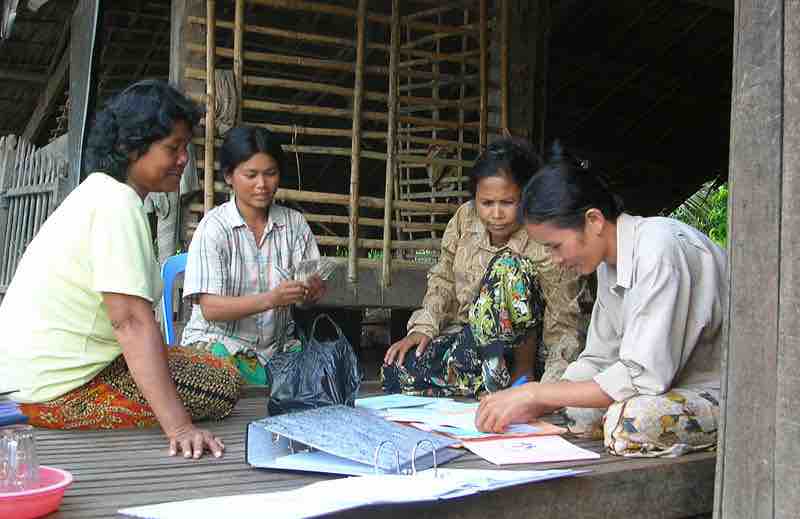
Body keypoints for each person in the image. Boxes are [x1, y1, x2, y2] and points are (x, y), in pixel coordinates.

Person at [0, 80, 241, 458]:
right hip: (50, 394)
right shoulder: (117, 205)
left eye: (185, 148)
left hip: (25, 379)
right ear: (131, 147)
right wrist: (180, 427)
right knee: (221, 385)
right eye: (173, 148)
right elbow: (129, 322)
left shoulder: (99, 191)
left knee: (210, 366)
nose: (183, 159)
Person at [476, 144, 725, 456]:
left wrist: (536, 393)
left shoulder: (659, 251)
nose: (555, 259)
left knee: (630, 422)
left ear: (593, 220)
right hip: (664, 389)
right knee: (573, 411)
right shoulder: (609, 266)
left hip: (723, 394)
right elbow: (598, 360)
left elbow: (641, 377)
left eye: (555, 246)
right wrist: (537, 399)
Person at [382, 138, 587, 397]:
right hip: (475, 339)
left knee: (508, 269)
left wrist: (547, 392)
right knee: (398, 371)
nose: (496, 214)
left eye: (508, 202)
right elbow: (443, 278)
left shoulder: (545, 237)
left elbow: (563, 322)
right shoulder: (464, 219)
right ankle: (489, 380)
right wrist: (423, 328)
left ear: (526, 197)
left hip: (523, 351)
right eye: (487, 203)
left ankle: (520, 376)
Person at [180, 125, 326, 384]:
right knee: (224, 376)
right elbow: (211, 308)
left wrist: (309, 293)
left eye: (270, 173)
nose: (262, 184)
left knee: (321, 377)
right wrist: (271, 299)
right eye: (251, 175)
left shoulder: (294, 224)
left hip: (277, 351)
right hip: (220, 345)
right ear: (229, 176)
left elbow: (305, 301)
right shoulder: (214, 228)